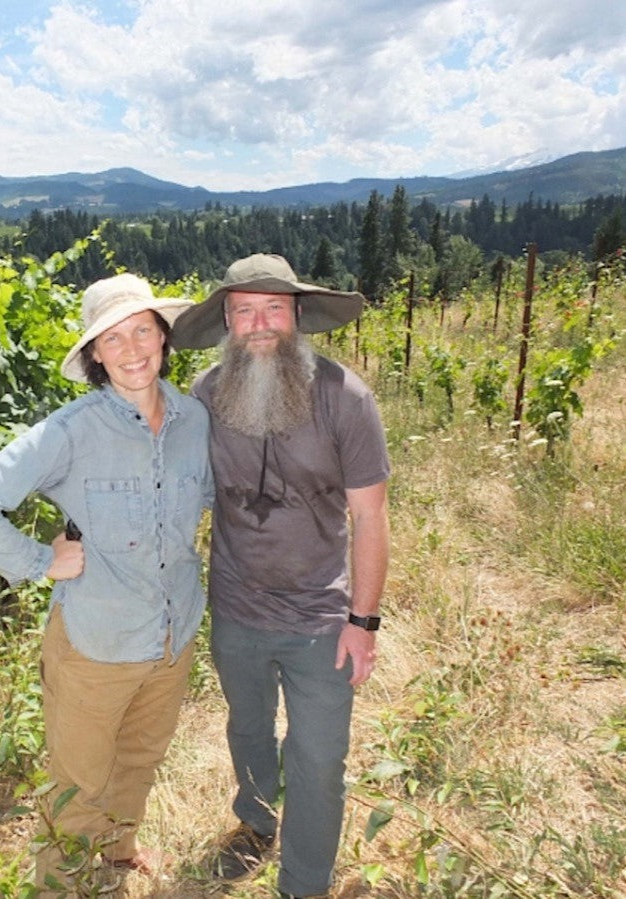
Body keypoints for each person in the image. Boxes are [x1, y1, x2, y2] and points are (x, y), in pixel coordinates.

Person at [0, 273, 213, 894]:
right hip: (96, 643)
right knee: (76, 787)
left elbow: (217, 498)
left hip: (173, 637)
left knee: (140, 761)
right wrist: (41, 561)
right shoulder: (71, 429)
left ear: (164, 336)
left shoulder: (196, 420)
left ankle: (119, 856)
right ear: (94, 356)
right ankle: (59, 887)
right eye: (111, 339)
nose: (131, 348)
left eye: (142, 330)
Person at [170, 254, 390, 899]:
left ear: (297, 316)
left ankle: (304, 884)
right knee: (247, 723)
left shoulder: (344, 397)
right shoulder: (206, 397)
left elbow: (371, 518)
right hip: (236, 605)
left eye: (273, 308)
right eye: (244, 310)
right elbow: (163, 477)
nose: (259, 323)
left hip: (322, 616)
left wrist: (364, 623)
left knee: (319, 761)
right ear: (226, 323)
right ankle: (256, 822)